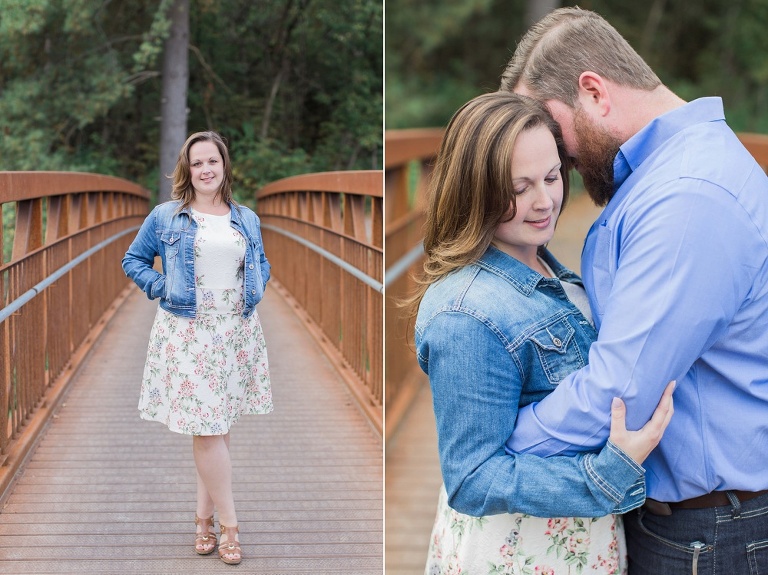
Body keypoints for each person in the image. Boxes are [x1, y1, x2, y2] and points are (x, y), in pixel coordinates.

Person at [499, 7, 768, 574]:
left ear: (593, 91)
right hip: (698, 525)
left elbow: (620, 390)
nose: (557, 156)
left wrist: (495, 442)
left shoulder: (687, 198)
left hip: (707, 536)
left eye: (552, 129)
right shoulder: (673, 172)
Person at [407, 91, 674, 574]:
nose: (544, 201)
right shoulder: (466, 315)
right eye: (519, 187)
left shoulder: (544, 267)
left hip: (576, 541)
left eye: (552, 177)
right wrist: (606, 475)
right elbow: (472, 478)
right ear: (475, 189)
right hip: (518, 554)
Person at [122, 131, 273, 565]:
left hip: (236, 329)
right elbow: (132, 259)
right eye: (197, 163)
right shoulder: (167, 216)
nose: (206, 170)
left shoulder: (245, 217)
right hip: (188, 330)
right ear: (187, 170)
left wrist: (257, 285)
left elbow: (259, 262)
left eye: (213, 162)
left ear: (224, 166)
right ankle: (230, 527)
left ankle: (202, 520)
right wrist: (161, 287)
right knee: (207, 428)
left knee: (218, 428)